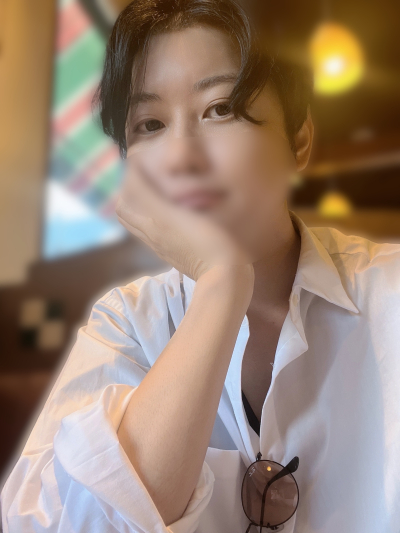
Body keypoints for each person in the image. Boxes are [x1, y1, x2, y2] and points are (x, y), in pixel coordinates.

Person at [1, 0, 400, 532]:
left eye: (219, 109)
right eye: (150, 124)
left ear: (299, 140)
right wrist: (221, 283)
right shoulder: (127, 323)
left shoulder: (390, 295)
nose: (182, 157)